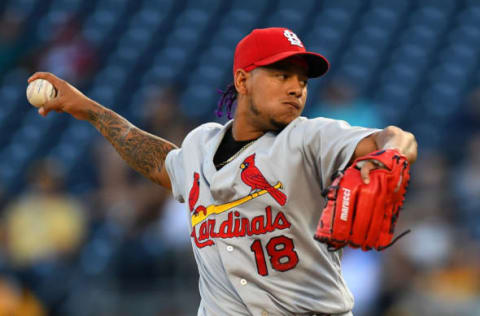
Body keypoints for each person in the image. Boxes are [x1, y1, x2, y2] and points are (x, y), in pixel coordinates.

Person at [29, 27, 417, 316]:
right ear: (243, 80)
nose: (297, 88)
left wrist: (394, 152)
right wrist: (90, 110)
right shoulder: (200, 144)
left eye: (302, 80)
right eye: (282, 75)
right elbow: (162, 161)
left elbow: (390, 138)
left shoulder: (309, 137)